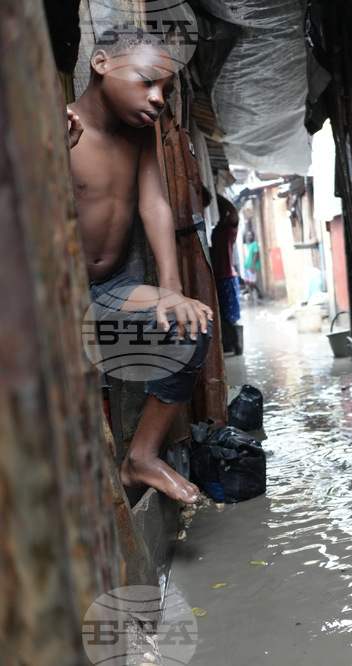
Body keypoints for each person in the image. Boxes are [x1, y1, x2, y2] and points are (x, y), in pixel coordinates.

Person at [68, 25, 212, 504]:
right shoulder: (59, 128)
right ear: (101, 63)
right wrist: (48, 156)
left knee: (190, 325)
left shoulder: (141, 135)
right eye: (148, 81)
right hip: (42, 296)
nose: (157, 99)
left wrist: (171, 289)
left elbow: (154, 205)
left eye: (166, 90)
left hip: (105, 287)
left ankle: (140, 458)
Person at [211, 196, 242, 354]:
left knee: (230, 316)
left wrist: (219, 196)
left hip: (227, 277)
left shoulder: (228, 229)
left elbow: (235, 213)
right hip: (216, 278)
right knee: (221, 315)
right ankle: (229, 345)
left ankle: (236, 346)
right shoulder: (214, 231)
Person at [243, 228, 262, 301]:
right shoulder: (248, 245)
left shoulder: (254, 244)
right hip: (246, 266)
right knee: (247, 282)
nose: (248, 237)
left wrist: (252, 266)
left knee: (252, 282)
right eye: (247, 236)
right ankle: (251, 296)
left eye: (250, 235)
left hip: (252, 267)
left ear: (253, 236)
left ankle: (258, 292)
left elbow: (255, 254)